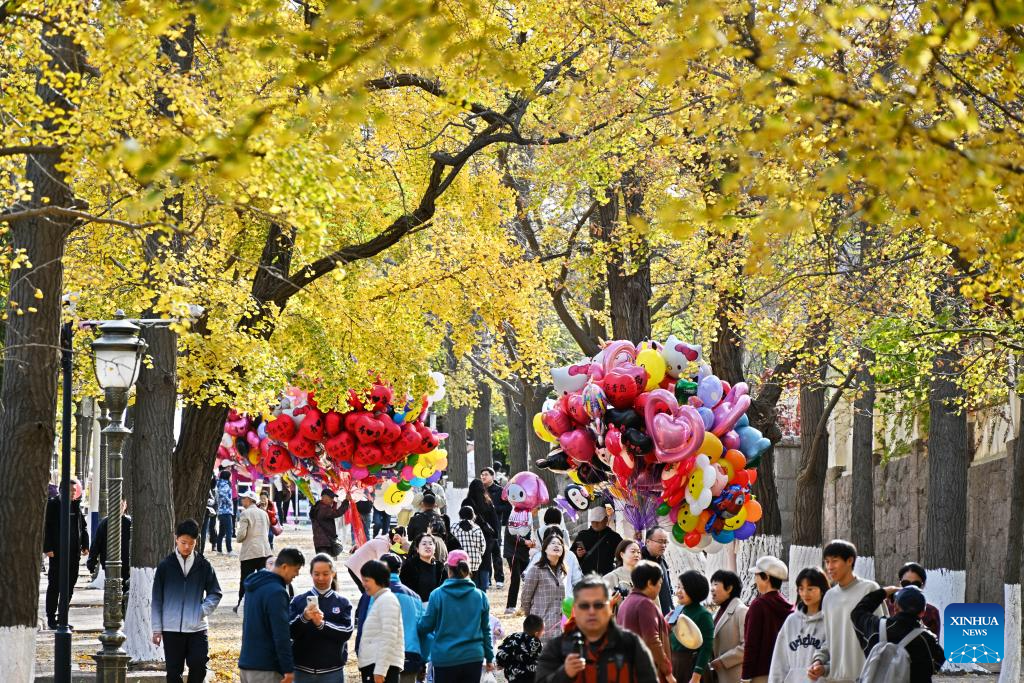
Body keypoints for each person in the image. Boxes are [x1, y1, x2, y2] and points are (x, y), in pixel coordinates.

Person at [535, 574, 658, 682]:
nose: (592, 611)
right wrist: (565, 673)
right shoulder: (557, 648)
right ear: (575, 610)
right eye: (584, 605)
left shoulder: (631, 644)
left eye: (598, 605)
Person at [151, 519, 223, 683]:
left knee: (199, 665)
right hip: (171, 628)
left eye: (191, 543)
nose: (186, 547)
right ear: (176, 539)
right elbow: (157, 599)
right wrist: (156, 629)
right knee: (173, 672)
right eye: (183, 542)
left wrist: (202, 610)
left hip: (197, 627)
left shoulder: (203, 565)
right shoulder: (165, 566)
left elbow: (215, 593)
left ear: (196, 542)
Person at [808, 540, 883, 683]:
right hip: (835, 679)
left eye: (834, 561)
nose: (829, 567)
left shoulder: (869, 590)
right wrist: (819, 661)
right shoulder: (829, 597)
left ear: (850, 561)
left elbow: (881, 636)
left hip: (865, 678)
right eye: (827, 562)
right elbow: (828, 638)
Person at [418, 549, 496, 681]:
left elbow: (426, 626)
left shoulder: (437, 595)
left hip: (445, 658)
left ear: (448, 569)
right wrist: (489, 657)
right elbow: (486, 630)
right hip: (473, 657)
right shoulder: (480, 596)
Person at [851, 585, 945, 682]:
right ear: (923, 612)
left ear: (895, 607)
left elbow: (858, 612)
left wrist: (884, 592)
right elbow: (938, 661)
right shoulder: (927, 639)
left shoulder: (876, 627)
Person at [238, 547, 305, 683]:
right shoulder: (277, 592)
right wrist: (288, 669)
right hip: (267, 668)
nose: (297, 574)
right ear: (285, 567)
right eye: (296, 569)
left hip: (247, 663)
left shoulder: (255, 584)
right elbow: (281, 634)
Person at [289, 553, 354, 682]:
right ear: (311, 574)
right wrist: (304, 618)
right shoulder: (298, 601)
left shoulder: (343, 602)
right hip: (302, 670)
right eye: (316, 574)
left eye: (325, 574)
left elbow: (346, 632)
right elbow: (289, 631)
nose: (321, 578)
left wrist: (322, 624)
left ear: (333, 573)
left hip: (332, 671)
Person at [42, 477, 90, 630]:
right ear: (62, 490)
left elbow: (83, 527)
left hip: (73, 555)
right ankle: (51, 618)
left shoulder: (75, 507)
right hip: (57, 554)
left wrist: (85, 544)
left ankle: (62, 617)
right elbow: (45, 528)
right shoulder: (53, 505)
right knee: (55, 586)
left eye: (74, 491)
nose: (72, 494)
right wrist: (47, 548)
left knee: (69, 587)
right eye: (70, 491)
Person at [616, 560, 675, 683]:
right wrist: (668, 672)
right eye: (659, 583)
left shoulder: (626, 602)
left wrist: (664, 622)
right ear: (649, 583)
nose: (660, 587)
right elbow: (652, 640)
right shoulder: (644, 604)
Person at [769, 566, 830, 683]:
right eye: (801, 589)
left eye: (810, 589)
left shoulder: (831, 621)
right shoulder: (791, 621)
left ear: (822, 590)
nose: (805, 593)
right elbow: (779, 659)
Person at [743, 556, 794, 683]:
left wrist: (745, 677)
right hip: (784, 672)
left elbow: (751, 644)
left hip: (760, 674)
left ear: (766, 577)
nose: (755, 580)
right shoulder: (789, 606)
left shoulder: (758, 605)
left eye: (757, 576)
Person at [379, 553, 427, 683]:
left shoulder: (373, 594)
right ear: (399, 570)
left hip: (379, 657)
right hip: (409, 656)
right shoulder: (415, 597)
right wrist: (423, 660)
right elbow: (423, 629)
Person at [355, 559, 406, 683]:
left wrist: (380, 671)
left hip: (380, 668)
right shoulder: (380, 599)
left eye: (366, 580)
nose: (363, 584)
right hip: (375, 666)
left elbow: (389, 637)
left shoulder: (387, 600)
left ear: (378, 579)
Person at [667, 570, 715, 683]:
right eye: (678, 587)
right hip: (675, 664)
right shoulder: (677, 610)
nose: (678, 591)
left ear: (694, 590)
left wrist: (696, 676)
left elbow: (706, 648)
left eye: (683, 588)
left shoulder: (703, 614)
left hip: (692, 667)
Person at [520, 531, 569, 641]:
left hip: (558, 628)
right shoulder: (536, 570)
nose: (557, 545)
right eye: (552, 543)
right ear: (545, 549)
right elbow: (525, 598)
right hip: (540, 630)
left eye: (560, 544)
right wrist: (533, 619)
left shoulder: (562, 572)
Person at [235, 489, 273, 612]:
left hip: (250, 551)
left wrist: (237, 536)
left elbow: (241, 536)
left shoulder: (245, 514)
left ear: (250, 500)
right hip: (265, 550)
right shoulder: (264, 513)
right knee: (264, 579)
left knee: (245, 579)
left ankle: (241, 603)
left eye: (244, 498)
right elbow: (267, 531)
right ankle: (266, 603)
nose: (242, 500)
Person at [86, 498, 132, 597]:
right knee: (112, 591)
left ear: (125, 505)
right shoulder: (104, 523)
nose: (120, 507)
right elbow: (96, 543)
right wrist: (91, 561)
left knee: (126, 590)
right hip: (109, 564)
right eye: (117, 504)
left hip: (127, 564)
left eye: (122, 504)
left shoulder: (129, 523)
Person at [709, 569, 746, 683]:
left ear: (729, 588)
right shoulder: (717, 613)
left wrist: (722, 661)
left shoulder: (742, 611)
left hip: (734, 675)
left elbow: (747, 647)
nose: (711, 589)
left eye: (715, 584)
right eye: (711, 584)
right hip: (719, 675)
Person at [886, 563, 941, 640]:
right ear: (900, 583)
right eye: (906, 583)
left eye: (916, 584)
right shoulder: (887, 606)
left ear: (923, 585)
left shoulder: (931, 611)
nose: (910, 588)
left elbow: (935, 644)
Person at [463, 478, 500, 589]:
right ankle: (485, 584)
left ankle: (471, 583)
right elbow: (495, 520)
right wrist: (495, 535)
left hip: (470, 535)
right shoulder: (488, 501)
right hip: (487, 536)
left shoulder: (466, 502)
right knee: (485, 561)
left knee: (472, 560)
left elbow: (463, 518)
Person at [571, 506, 623, 577]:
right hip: (586, 578)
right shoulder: (582, 535)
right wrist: (577, 554)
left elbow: (623, 554)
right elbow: (571, 555)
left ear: (606, 519)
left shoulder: (614, 537)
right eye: (593, 521)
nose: (595, 524)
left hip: (607, 579)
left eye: (598, 521)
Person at [481, 467, 510, 588]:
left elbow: (508, 507)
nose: (483, 477)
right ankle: (487, 579)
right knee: (484, 553)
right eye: (482, 475)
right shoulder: (479, 490)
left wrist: (495, 510)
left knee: (496, 553)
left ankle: (499, 579)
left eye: (486, 474)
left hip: (495, 526)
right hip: (482, 526)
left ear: (492, 476)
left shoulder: (500, 491)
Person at [496, 614, 545, 683]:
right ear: (537, 634)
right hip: (530, 677)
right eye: (543, 631)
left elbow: (503, 651)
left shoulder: (512, 636)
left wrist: (500, 663)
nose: (544, 633)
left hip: (513, 676)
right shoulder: (536, 643)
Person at [399, 532, 446, 603]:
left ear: (434, 548)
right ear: (417, 549)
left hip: (435, 608)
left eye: (430, 544)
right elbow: (405, 590)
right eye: (424, 544)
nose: (428, 546)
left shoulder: (440, 567)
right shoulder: (409, 566)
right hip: (415, 607)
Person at [503, 517, 537, 614]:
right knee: (516, 579)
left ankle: (526, 605)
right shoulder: (515, 517)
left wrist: (531, 542)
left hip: (524, 554)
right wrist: (525, 542)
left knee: (529, 578)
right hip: (513, 553)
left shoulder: (529, 519)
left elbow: (528, 536)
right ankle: (510, 606)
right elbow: (512, 535)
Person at [452, 505, 488, 589]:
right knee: (473, 585)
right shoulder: (477, 528)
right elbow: (483, 546)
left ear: (460, 515)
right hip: (474, 563)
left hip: (458, 562)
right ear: (473, 515)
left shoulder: (454, 527)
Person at [642, 526, 674, 614]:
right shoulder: (640, 563)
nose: (663, 545)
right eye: (660, 541)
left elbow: (668, 588)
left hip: (667, 614)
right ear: (647, 541)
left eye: (665, 542)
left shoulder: (662, 560)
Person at [310, 489, 348, 557]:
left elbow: (331, 511)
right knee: (325, 562)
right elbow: (337, 513)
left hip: (321, 542)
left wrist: (335, 504)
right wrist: (346, 501)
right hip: (325, 542)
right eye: (331, 498)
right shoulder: (323, 508)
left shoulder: (319, 506)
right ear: (324, 497)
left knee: (324, 561)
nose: (332, 500)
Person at [214, 469, 234, 554]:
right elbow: (223, 494)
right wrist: (229, 502)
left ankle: (219, 550)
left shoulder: (219, 484)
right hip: (226, 511)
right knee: (229, 531)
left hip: (221, 512)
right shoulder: (225, 485)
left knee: (221, 532)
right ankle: (229, 550)